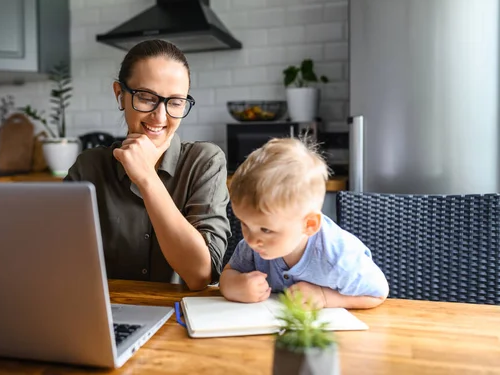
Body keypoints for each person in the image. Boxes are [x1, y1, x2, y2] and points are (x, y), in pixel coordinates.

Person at [64, 39, 231, 291]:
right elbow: (57, 262)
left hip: (179, 319)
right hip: (106, 314)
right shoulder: (89, 167)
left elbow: (199, 275)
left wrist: (146, 178)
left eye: (175, 102)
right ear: (120, 94)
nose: (160, 116)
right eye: (146, 97)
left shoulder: (205, 161)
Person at [220, 137, 388, 308]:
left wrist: (324, 297)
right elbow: (228, 274)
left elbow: (378, 293)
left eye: (266, 230)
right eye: (245, 224)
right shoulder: (253, 246)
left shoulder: (337, 257)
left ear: (309, 225)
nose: (251, 240)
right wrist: (236, 286)